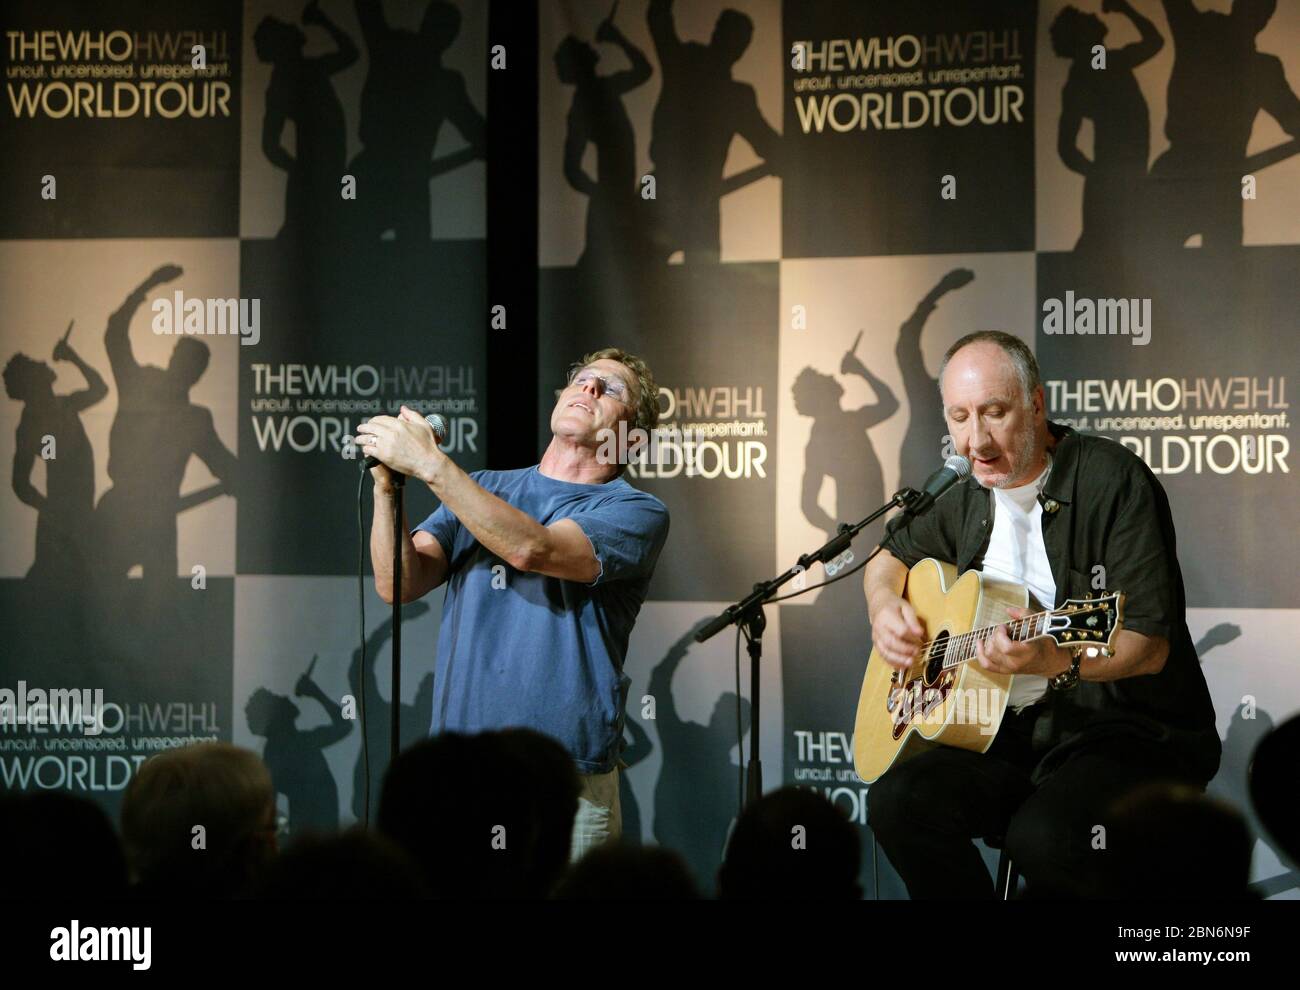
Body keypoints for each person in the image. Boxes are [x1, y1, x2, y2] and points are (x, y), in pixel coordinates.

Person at [864, 331, 1220, 899]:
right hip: (1003, 732)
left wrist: (1057, 659)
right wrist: (885, 607)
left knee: (1045, 839)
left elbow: (1149, 644)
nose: (974, 441)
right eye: (958, 417)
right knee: (898, 802)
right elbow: (887, 557)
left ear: (1036, 403)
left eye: (994, 414)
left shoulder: (1113, 480)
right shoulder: (962, 492)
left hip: (1121, 732)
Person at [358, 348, 669, 861]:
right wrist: (389, 487)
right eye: (582, 380)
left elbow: (534, 549)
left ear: (632, 435)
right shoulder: (482, 487)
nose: (587, 389)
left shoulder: (634, 509)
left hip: (564, 776)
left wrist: (431, 464)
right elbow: (399, 584)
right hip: (461, 768)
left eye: (609, 389)